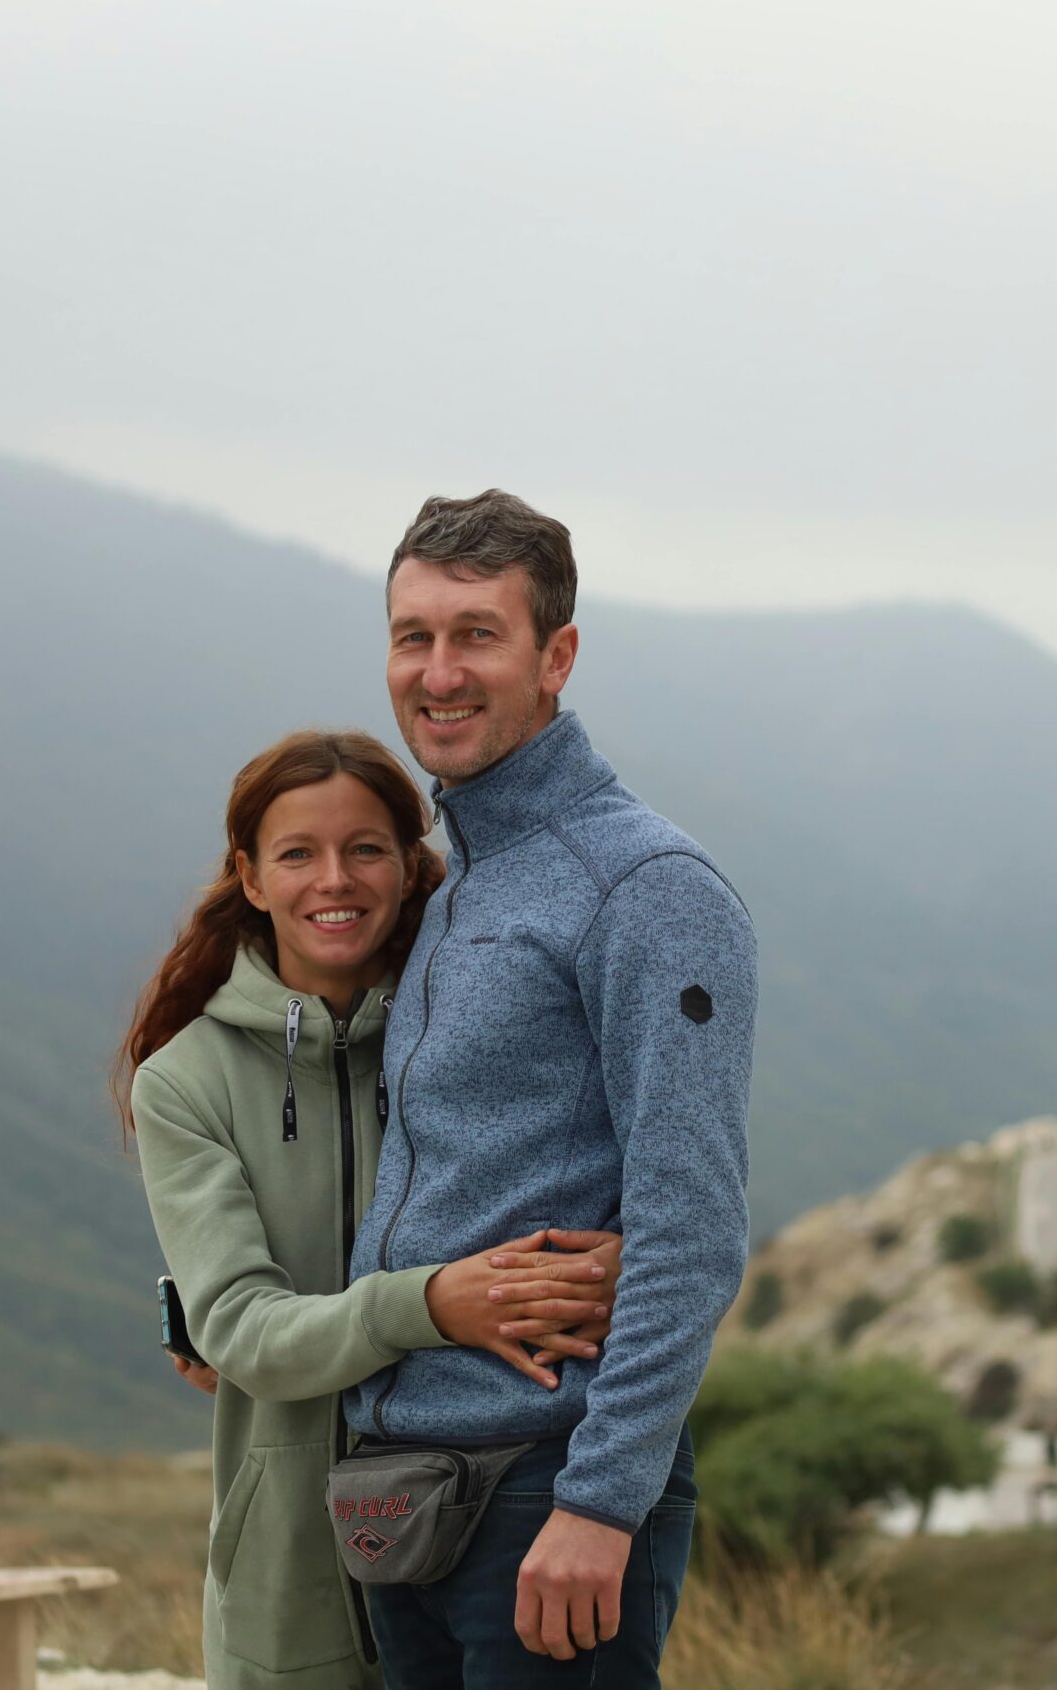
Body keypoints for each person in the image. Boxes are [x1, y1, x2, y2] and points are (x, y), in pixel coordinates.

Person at [122, 730, 631, 1690]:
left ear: (409, 864)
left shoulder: (465, 1031)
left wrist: (618, 1254)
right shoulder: (185, 1081)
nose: (333, 879)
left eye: (364, 848)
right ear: (252, 876)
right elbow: (239, 1327)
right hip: (291, 1585)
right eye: (296, 853)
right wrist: (432, 1304)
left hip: (483, 1535)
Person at [350, 491, 759, 1685]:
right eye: (411, 635)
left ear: (555, 656)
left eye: (476, 633)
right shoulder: (455, 887)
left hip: (547, 1488)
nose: (438, 671)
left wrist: (602, 1502)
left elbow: (691, 1221)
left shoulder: (646, 886)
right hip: (403, 1486)